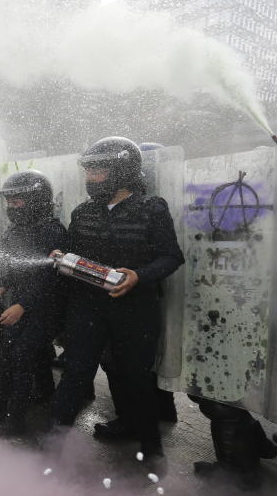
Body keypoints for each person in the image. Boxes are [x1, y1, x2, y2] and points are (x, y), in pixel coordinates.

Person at [50, 137, 184, 466]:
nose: (90, 177)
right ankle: (52, 445)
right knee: (75, 374)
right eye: (88, 170)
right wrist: (61, 256)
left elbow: (171, 257)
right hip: (88, 307)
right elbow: (74, 253)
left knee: (136, 377)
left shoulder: (153, 208)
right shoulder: (82, 213)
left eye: (98, 170)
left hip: (135, 309)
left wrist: (139, 276)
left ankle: (151, 449)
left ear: (123, 171)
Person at [0, 170, 66, 434]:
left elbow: (49, 277)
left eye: (18, 202)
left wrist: (23, 305)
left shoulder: (52, 231)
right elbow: (14, 266)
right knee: (5, 354)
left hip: (44, 308)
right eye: (10, 202)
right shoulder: (15, 230)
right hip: (19, 303)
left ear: (37, 200)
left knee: (22, 357)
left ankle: (15, 419)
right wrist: (4, 283)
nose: (11, 208)